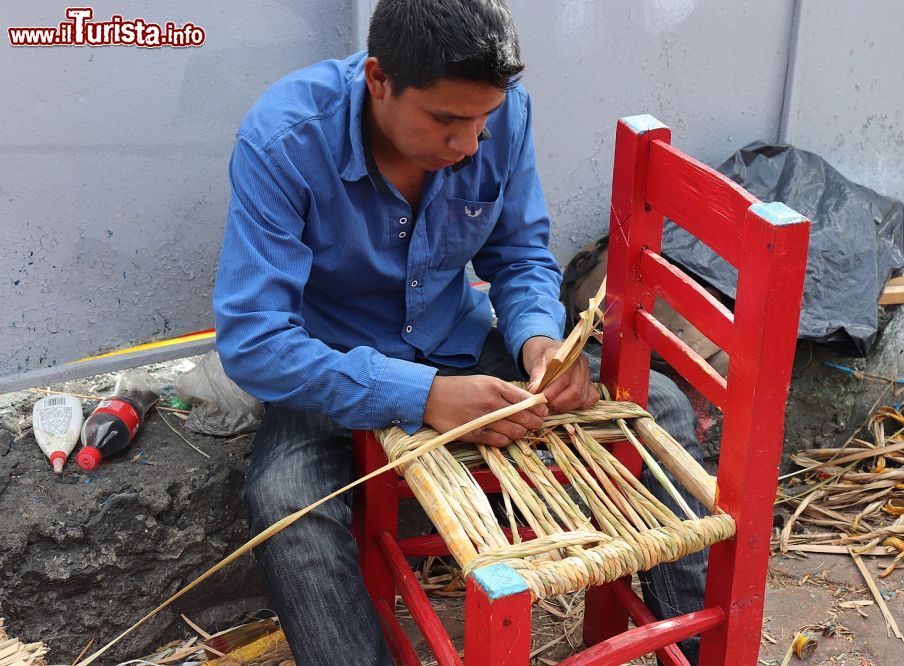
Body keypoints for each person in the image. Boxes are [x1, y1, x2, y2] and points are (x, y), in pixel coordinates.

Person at [213, 1, 708, 663]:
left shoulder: (501, 115)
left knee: (665, 408)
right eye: (447, 120)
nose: (470, 144)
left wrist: (540, 342)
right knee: (285, 504)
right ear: (379, 79)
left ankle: (703, 649)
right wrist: (423, 397)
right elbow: (255, 341)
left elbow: (521, 255)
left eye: (483, 119)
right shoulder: (285, 139)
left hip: (458, 341)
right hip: (331, 365)